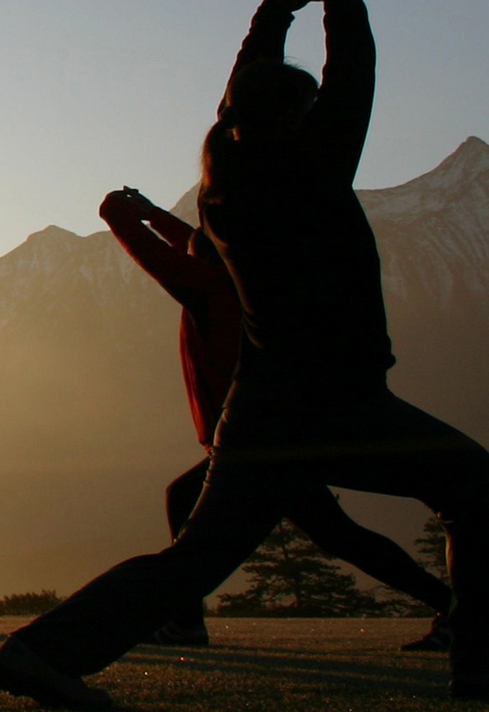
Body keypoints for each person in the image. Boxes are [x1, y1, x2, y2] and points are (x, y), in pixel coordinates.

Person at [0, 0, 489, 709]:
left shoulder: (226, 181)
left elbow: (244, 97)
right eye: (306, 109)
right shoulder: (309, 173)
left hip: (262, 409)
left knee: (196, 560)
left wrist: (275, 13)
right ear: (290, 120)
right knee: (471, 482)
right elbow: (352, 83)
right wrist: (339, 2)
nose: (320, 114)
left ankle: (39, 652)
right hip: (335, 404)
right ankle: (488, 665)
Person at [99, 186, 453, 649]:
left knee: (190, 503)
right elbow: (195, 244)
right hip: (279, 432)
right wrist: (154, 214)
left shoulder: (205, 287)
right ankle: (453, 608)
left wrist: (116, 208)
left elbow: (155, 254)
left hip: (252, 439)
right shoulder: (240, 282)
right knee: (339, 535)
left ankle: (185, 623)